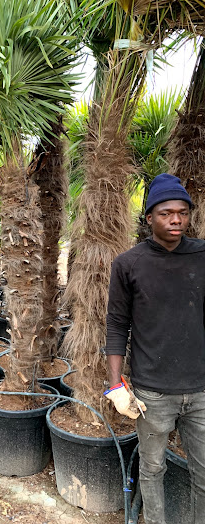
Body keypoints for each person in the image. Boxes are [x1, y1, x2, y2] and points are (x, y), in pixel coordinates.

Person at [104, 173, 205, 524]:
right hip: (152, 393)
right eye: (166, 213)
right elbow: (117, 324)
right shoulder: (128, 264)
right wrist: (117, 385)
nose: (176, 219)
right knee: (152, 469)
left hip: (201, 390)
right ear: (149, 217)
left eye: (182, 212)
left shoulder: (202, 256)